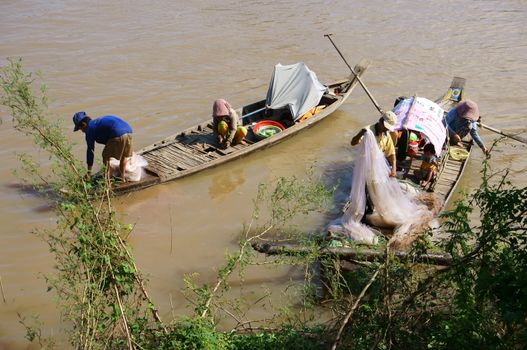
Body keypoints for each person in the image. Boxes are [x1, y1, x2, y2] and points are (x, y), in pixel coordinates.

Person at [73, 111, 133, 181]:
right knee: (124, 155)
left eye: (80, 129)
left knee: (105, 156)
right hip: (128, 131)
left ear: (84, 125)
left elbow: (90, 151)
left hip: (117, 134)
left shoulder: (89, 130)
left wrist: (89, 172)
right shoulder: (97, 122)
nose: (82, 131)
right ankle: (122, 177)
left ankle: (107, 179)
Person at [350, 111, 398, 177]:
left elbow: (391, 153)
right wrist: (361, 133)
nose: (386, 130)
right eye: (385, 127)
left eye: (387, 129)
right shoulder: (368, 131)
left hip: (377, 165)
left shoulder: (386, 134)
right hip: (365, 165)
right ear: (380, 122)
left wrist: (394, 168)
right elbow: (353, 143)